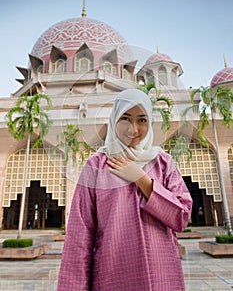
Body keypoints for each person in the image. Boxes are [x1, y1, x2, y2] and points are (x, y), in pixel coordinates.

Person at [57, 88, 193, 291]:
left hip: (161, 274)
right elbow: (80, 234)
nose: (133, 129)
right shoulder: (97, 165)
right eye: (126, 118)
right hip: (114, 274)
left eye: (142, 120)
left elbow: (181, 217)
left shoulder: (162, 162)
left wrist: (141, 179)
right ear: (114, 120)